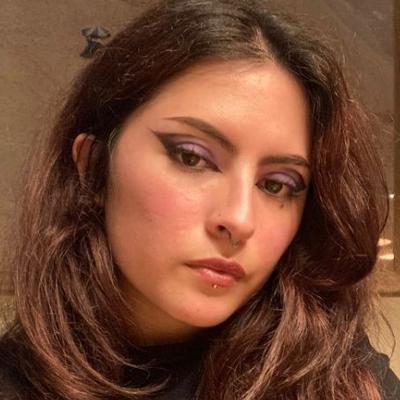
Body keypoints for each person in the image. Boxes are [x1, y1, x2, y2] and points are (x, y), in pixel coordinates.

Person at [0, 0, 399, 399]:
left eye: (277, 184)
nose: (239, 219)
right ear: (94, 167)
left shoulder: (340, 378)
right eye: (192, 158)